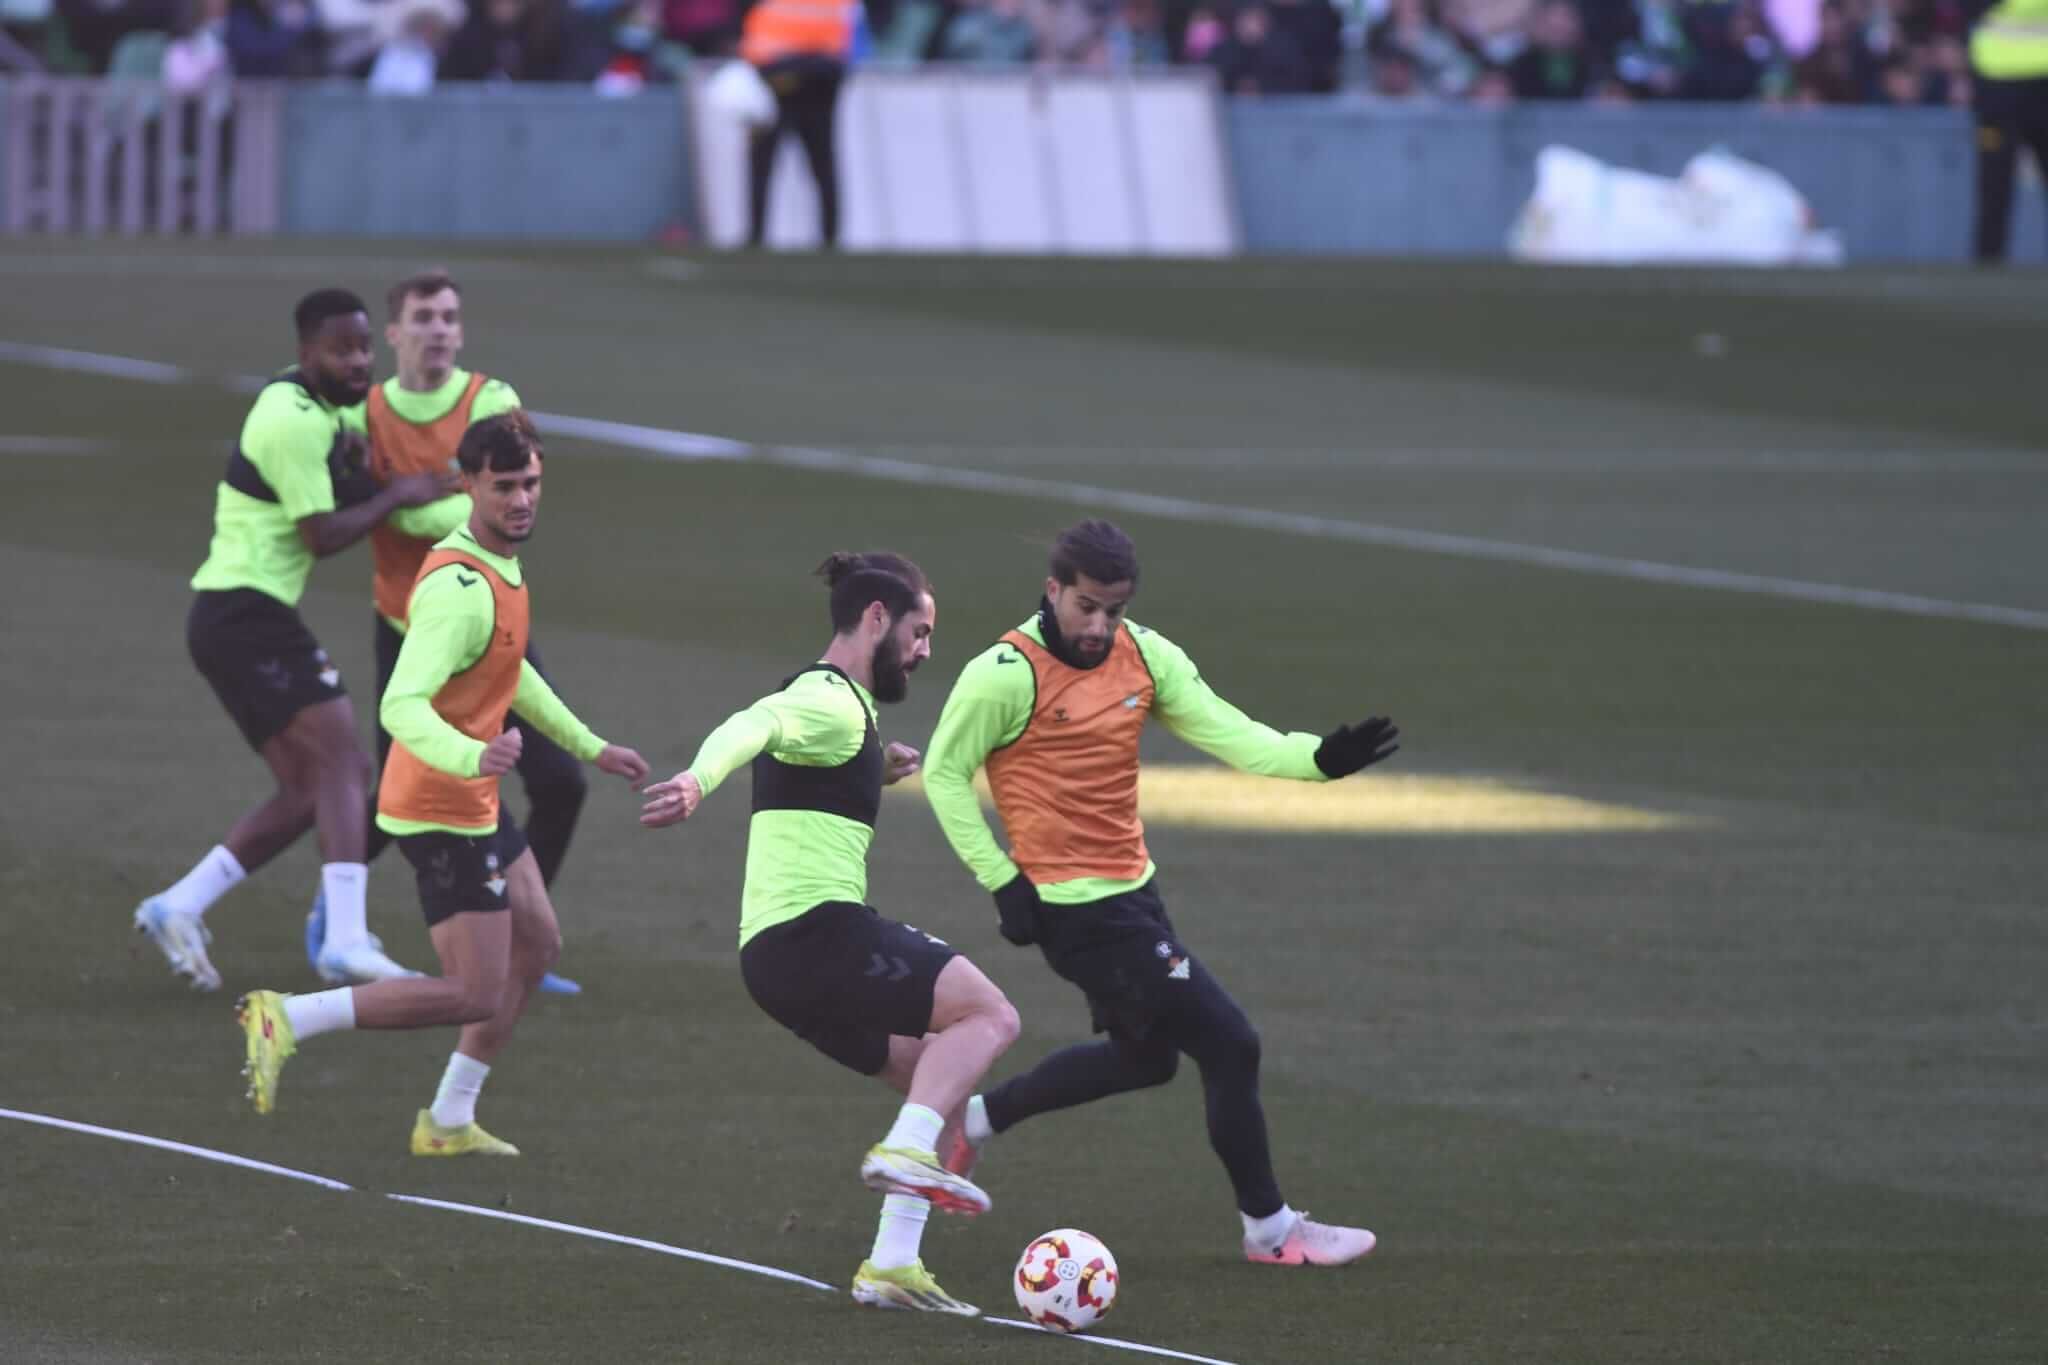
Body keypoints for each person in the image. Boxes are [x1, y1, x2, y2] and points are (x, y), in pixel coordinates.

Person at [922, 519, 1397, 1268]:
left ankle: (975, 1119)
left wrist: (1318, 759)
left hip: (1135, 893)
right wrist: (1000, 876)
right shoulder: (1006, 673)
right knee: (1231, 1043)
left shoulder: (1146, 655)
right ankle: (1272, 1230)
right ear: (1053, 590)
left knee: (1146, 1060)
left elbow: (1229, 731)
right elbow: (945, 772)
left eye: (1113, 609)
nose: (1100, 625)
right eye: (1086, 606)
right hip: (1073, 909)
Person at [237, 412, 649, 1154]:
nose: (522, 499)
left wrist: (591, 746)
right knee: (471, 991)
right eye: (505, 486)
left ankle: (450, 1117)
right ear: (468, 485)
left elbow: (508, 666)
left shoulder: (500, 566)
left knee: (539, 943)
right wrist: (470, 757)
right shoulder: (459, 586)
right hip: (437, 805)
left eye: (531, 483)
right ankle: (288, 1018)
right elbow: (401, 702)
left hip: (473, 795)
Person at [639, 551, 1019, 1315]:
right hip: (814, 933)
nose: (925, 649)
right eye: (919, 630)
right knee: (989, 1015)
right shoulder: (830, 700)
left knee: (936, 1078)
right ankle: (906, 1153)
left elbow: (796, 761)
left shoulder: (850, 719)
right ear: (876, 617)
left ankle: (892, 1264)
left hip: (775, 960)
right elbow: (757, 723)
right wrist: (695, 779)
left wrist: (871, 768)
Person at [134, 289, 452, 994]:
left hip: (236, 617)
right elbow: (324, 534)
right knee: (346, 763)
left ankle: (177, 905)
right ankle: (342, 940)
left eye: (366, 345)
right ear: (306, 353)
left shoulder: (323, 402)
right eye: (344, 350)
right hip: (244, 615)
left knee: (311, 788)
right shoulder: (289, 419)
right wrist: (398, 495)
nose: (360, 360)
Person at [303, 270, 583, 996]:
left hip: (491, 625)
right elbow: (349, 504)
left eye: (450, 316)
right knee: (404, 792)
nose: (439, 329)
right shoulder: (363, 413)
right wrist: (406, 499)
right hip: (409, 628)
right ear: (394, 333)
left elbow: (476, 510)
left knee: (561, 780)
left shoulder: (491, 401)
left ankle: (521, 932)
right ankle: (335, 910)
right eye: (424, 316)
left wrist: (394, 502)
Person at [739, 0, 856, 247]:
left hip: (789, 79)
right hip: (801, 79)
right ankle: (828, 238)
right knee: (818, 164)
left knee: (775, 163)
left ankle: (759, 237)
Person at [1968, 0, 2048, 261]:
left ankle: (1988, 260)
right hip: (1997, 85)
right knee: (1994, 182)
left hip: (2028, 84)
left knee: (1993, 183)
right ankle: (1988, 262)